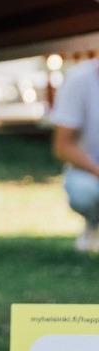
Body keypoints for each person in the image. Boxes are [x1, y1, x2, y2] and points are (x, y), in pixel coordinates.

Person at [51, 57, 99, 252]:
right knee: (85, 192)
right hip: (88, 169)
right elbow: (62, 146)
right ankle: (94, 222)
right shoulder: (79, 79)